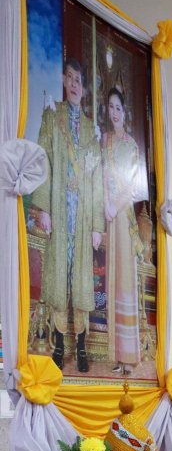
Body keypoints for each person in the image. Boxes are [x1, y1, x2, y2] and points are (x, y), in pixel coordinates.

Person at [33, 57, 104, 373]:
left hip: (84, 214)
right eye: (71, 78)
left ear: (85, 89)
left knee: (82, 283)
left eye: (80, 80)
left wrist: (97, 225)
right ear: (64, 80)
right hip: (61, 212)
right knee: (61, 278)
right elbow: (43, 161)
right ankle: (61, 346)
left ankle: (83, 347)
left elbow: (97, 177)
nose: (75, 84)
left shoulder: (91, 129)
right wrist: (44, 207)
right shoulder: (52, 118)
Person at [102, 87, 141, 376]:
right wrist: (105, 203)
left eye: (118, 107)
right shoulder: (105, 141)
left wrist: (115, 205)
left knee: (125, 279)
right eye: (111, 107)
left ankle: (129, 358)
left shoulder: (132, 146)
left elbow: (132, 186)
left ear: (125, 112)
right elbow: (102, 175)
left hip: (123, 216)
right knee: (112, 280)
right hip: (108, 215)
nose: (114, 112)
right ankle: (116, 355)